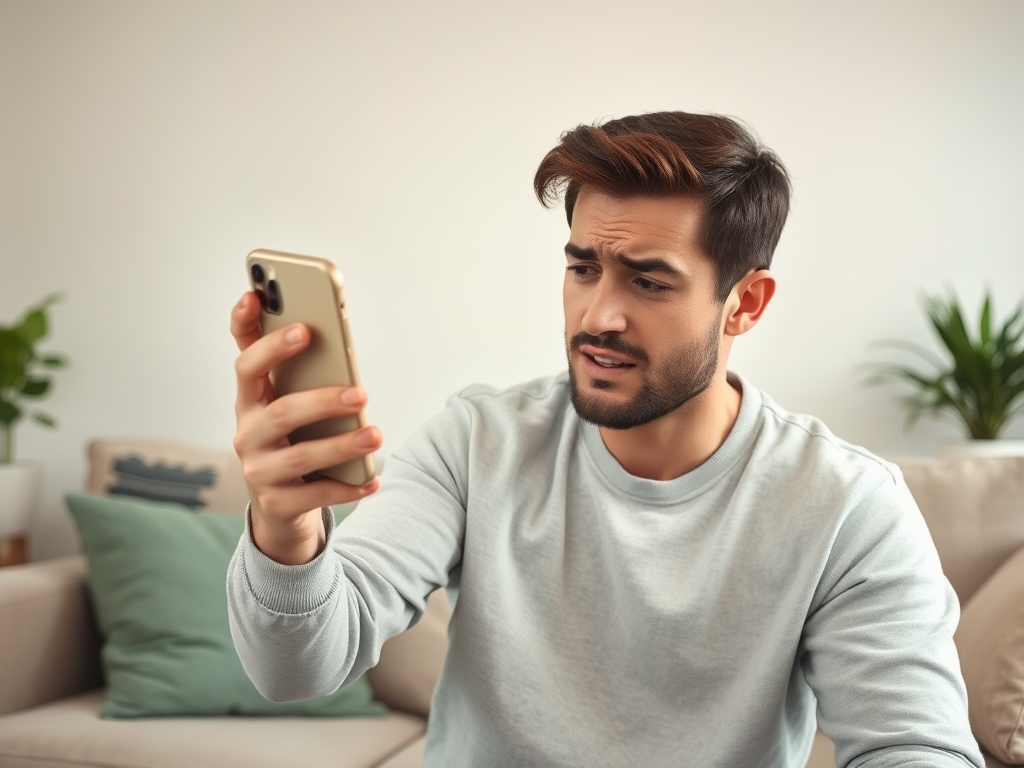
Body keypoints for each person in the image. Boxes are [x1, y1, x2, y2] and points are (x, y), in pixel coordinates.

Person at [226, 111, 984, 768]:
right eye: (583, 268)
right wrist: (285, 527)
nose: (598, 317)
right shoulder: (475, 443)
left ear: (745, 303)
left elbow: (913, 743)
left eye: (648, 281)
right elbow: (297, 668)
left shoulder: (848, 506)